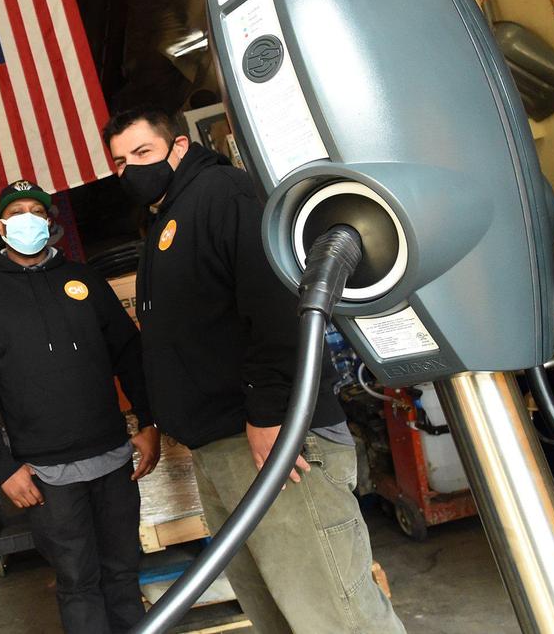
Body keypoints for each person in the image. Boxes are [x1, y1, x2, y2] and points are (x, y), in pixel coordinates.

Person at [104, 109, 405, 634]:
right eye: (119, 161)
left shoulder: (222, 193)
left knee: (332, 615)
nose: (130, 169)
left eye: (142, 154)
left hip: (271, 440)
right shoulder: (169, 217)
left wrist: (270, 411)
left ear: (177, 147)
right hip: (221, 446)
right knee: (276, 613)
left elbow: (278, 304)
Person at [0, 179, 160, 634]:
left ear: (50, 223)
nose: (27, 221)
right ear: (1, 226)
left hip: (113, 459)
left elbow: (128, 352)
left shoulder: (84, 280)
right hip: (45, 474)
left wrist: (151, 421)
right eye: (17, 214)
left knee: (122, 572)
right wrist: (2, 468)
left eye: (36, 212)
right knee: (77, 581)